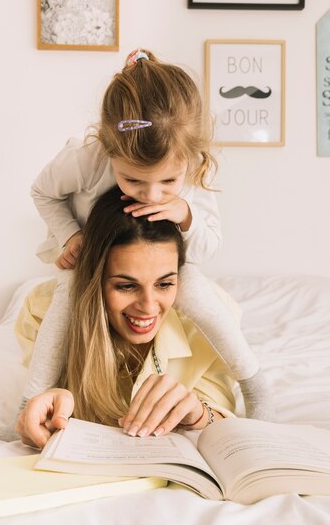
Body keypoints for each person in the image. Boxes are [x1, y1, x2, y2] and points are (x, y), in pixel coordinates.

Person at [24, 48, 272, 422]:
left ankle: (255, 386)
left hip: (165, 259)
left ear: (190, 161)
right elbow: (43, 192)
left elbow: (206, 248)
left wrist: (185, 213)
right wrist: (71, 236)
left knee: (203, 300)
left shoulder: (193, 169)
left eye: (168, 182)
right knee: (65, 302)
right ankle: (28, 403)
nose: (152, 195)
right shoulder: (85, 159)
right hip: (92, 254)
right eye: (133, 180)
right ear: (109, 151)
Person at [16, 186, 238, 448]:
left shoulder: (212, 321)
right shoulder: (41, 311)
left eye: (164, 284)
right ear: (94, 281)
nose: (147, 307)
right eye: (126, 286)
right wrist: (46, 404)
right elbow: (37, 398)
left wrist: (199, 414)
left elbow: (225, 415)